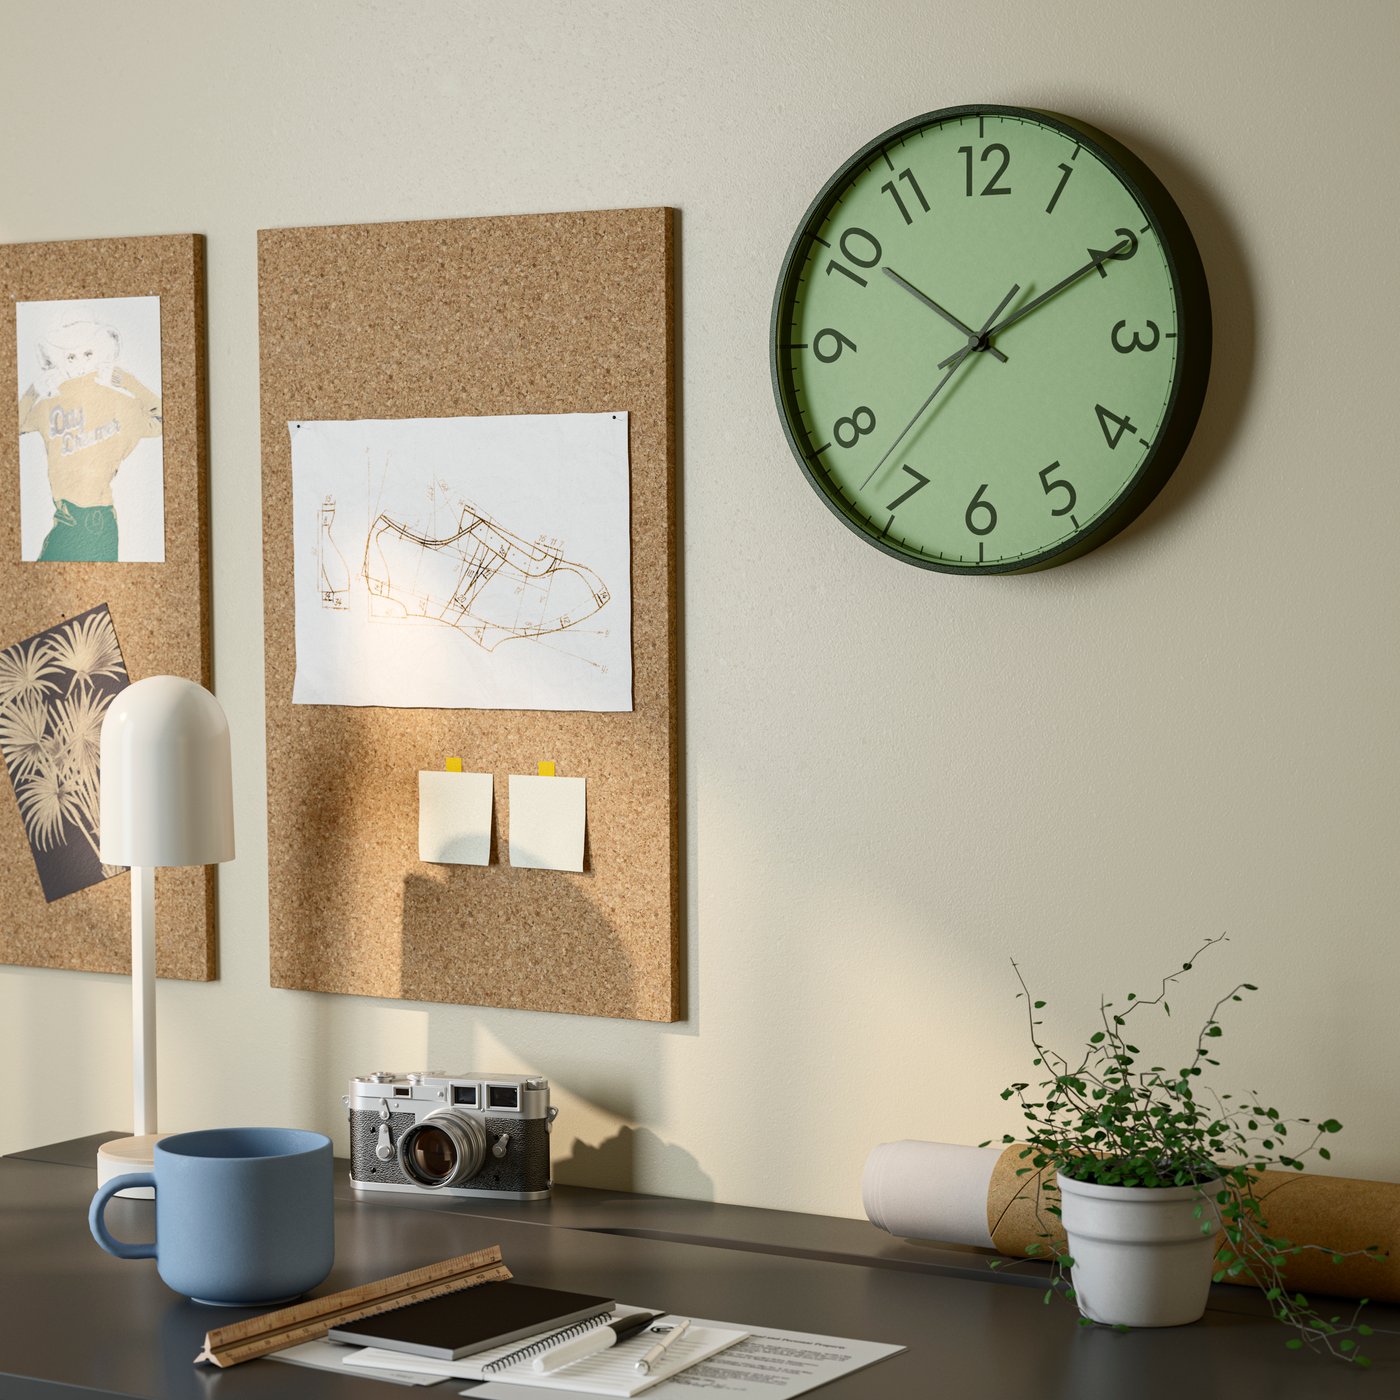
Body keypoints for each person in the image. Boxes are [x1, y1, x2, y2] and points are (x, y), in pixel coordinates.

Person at [16, 318, 162, 562]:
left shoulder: (115, 403)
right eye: (71, 357)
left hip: (93, 519)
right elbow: (160, 418)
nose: (81, 363)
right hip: (77, 518)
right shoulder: (53, 404)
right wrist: (129, 382)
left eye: (88, 353)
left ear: (102, 353)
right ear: (58, 361)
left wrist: (33, 391)